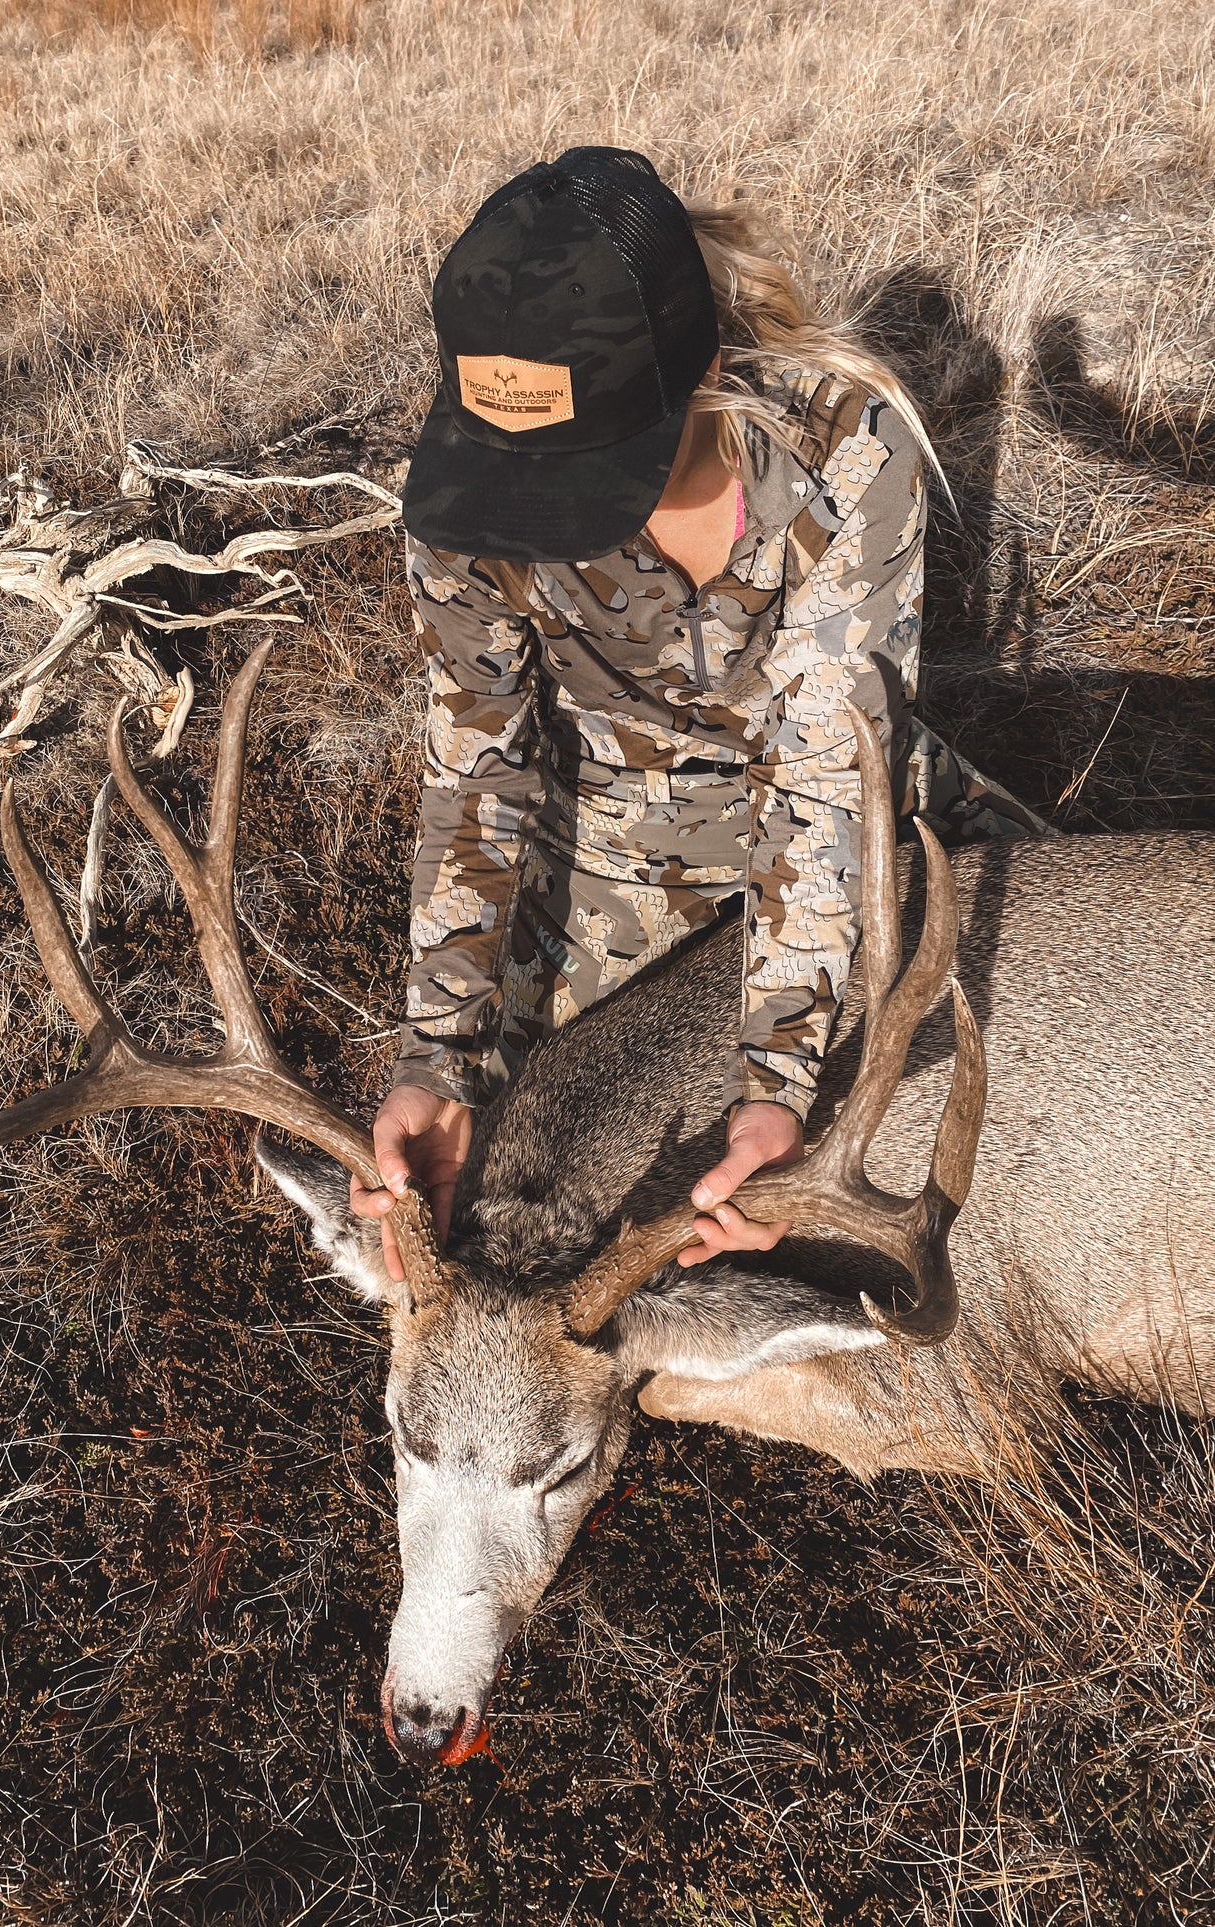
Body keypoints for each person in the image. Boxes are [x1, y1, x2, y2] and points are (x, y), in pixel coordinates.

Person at [350, 146, 1043, 1281]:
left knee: (1027, 1006)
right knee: (515, 1166)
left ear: (703, 371)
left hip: (852, 787)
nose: (538, 509)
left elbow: (826, 775)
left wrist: (774, 1086)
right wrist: (438, 1052)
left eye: (586, 471)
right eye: (518, 469)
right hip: (610, 831)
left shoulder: (843, 450)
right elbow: (478, 768)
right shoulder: (460, 492)